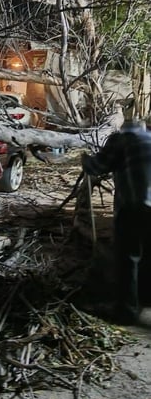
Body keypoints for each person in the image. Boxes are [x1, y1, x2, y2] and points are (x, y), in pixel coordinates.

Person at [81, 119, 151, 325]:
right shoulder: (149, 139)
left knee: (129, 258)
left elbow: (97, 166)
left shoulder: (120, 140)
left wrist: (85, 159)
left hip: (135, 206)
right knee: (149, 254)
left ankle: (127, 312)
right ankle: (146, 298)